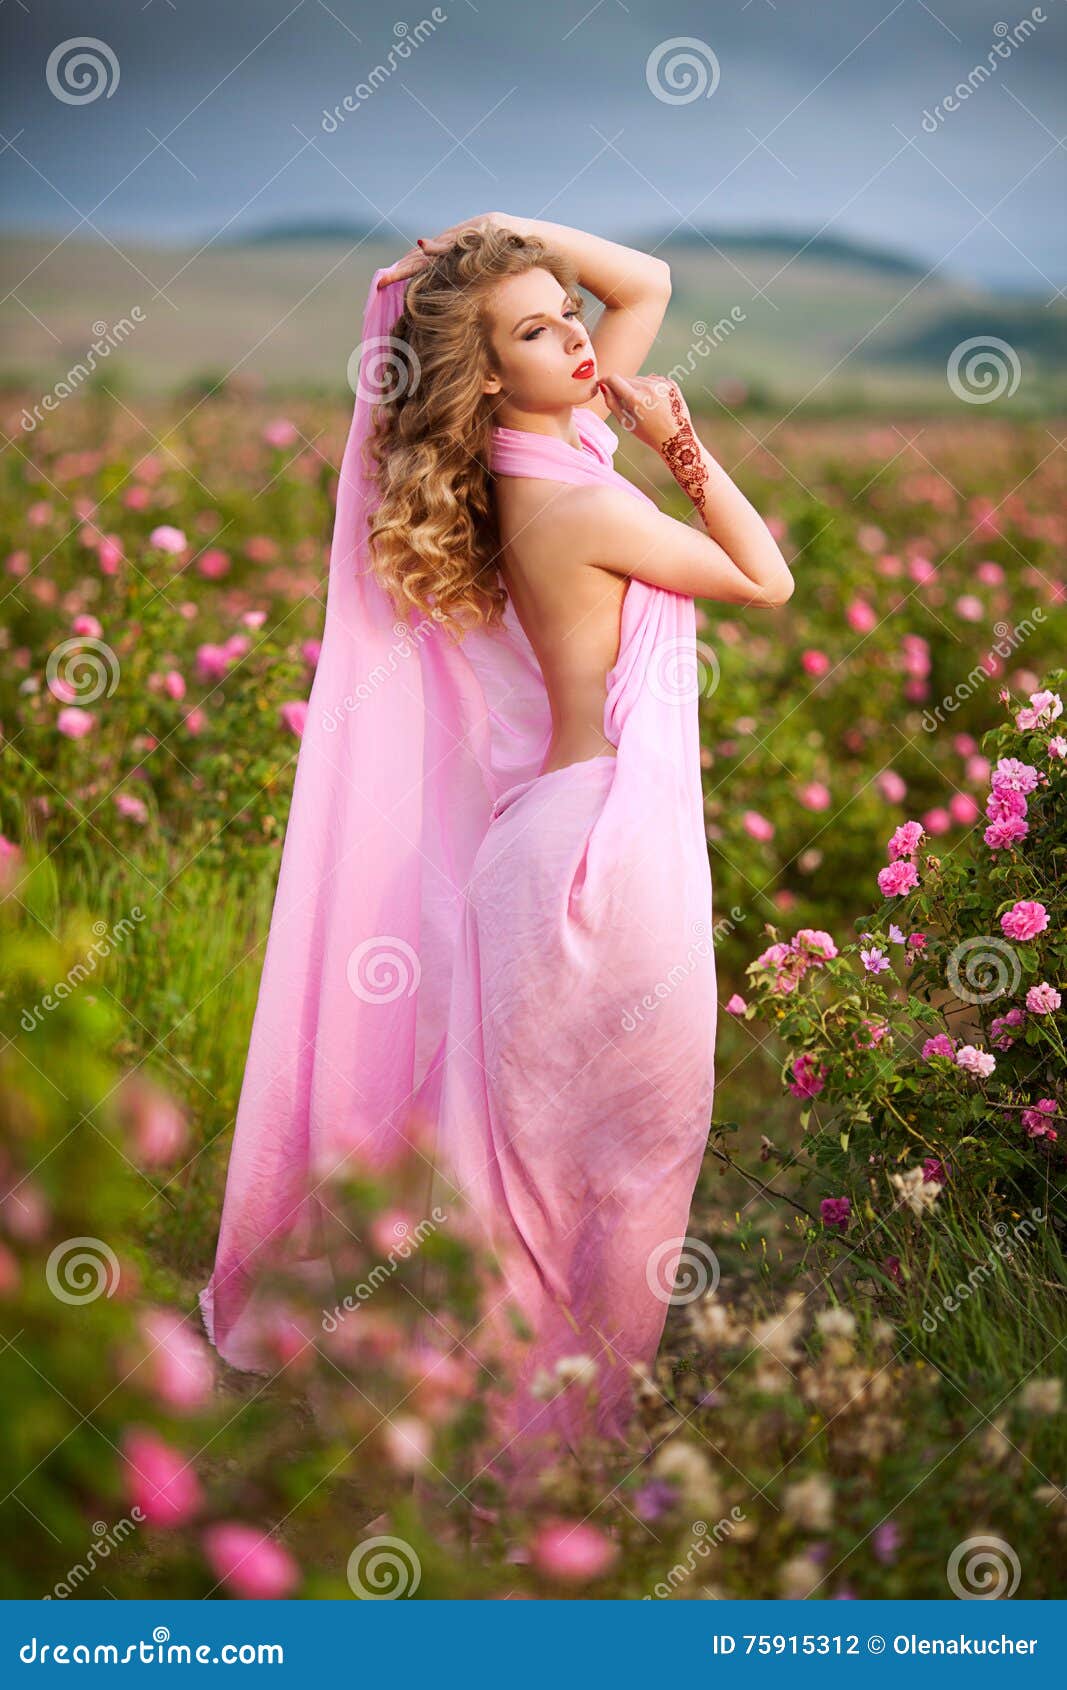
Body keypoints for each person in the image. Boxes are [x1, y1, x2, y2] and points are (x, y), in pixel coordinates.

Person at [198, 213, 793, 1501]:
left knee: (541, 1169)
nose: (580, 335)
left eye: (565, 316)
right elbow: (766, 577)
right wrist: (682, 447)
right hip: (599, 866)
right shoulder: (578, 493)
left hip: (562, 843)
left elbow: (645, 280)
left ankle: (490, 1443)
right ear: (487, 376)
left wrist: (489, 240)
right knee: (624, 1165)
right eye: (536, 330)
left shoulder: (541, 451)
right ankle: (549, 1461)